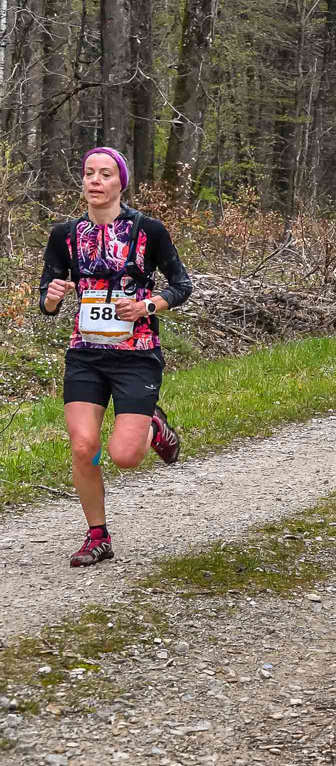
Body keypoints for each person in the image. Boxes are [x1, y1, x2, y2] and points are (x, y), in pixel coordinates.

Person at [38, 148, 191, 567]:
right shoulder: (65, 235)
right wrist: (53, 297)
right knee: (83, 446)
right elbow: (47, 301)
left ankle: (152, 423)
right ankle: (97, 535)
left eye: (105, 174)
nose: (95, 181)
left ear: (121, 182)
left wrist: (147, 306)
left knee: (125, 456)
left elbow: (182, 285)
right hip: (85, 355)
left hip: (136, 355)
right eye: (89, 173)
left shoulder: (148, 230)